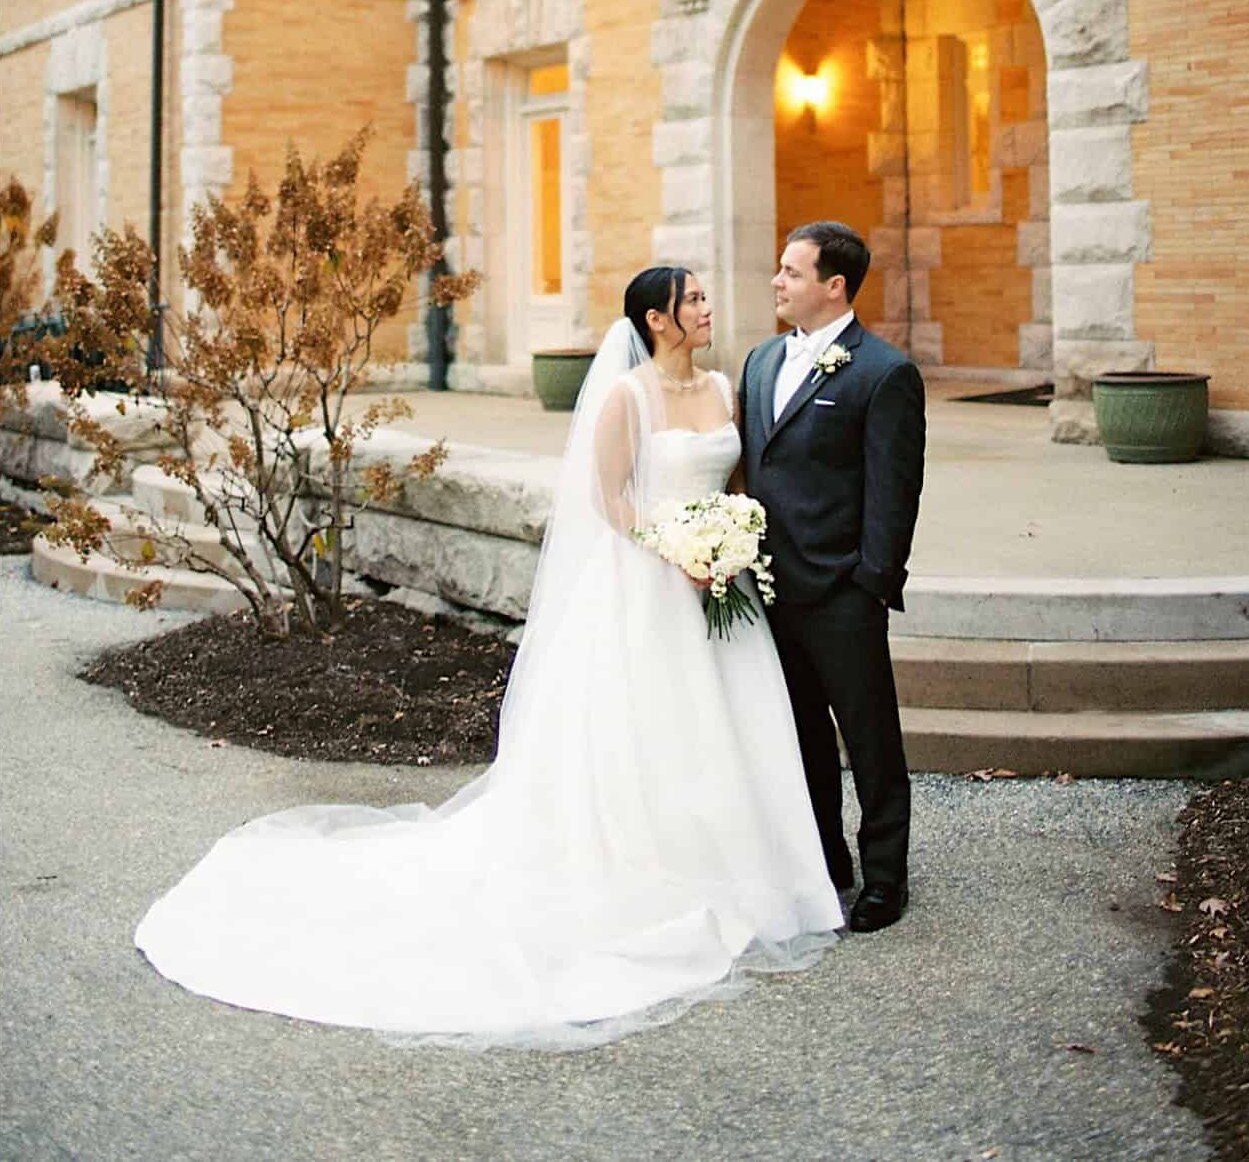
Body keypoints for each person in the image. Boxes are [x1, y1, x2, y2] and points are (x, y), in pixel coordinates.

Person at [133, 267, 843, 1046]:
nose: (709, 307)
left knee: (727, 727)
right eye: (695, 299)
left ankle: (749, 868)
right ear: (658, 318)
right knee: (648, 729)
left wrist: (728, 538)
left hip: (720, 593)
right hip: (650, 586)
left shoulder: (719, 387)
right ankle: (652, 866)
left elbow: (732, 477)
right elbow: (610, 501)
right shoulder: (625, 397)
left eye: (709, 295)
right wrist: (676, 549)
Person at [737, 221, 925, 933]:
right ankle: (824, 860)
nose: (778, 282)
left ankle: (885, 878)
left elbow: (893, 489)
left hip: (841, 592)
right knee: (801, 739)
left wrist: (870, 581)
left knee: (870, 740)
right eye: (779, 269)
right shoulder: (759, 362)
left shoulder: (882, 372)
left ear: (833, 284)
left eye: (790, 271)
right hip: (766, 590)